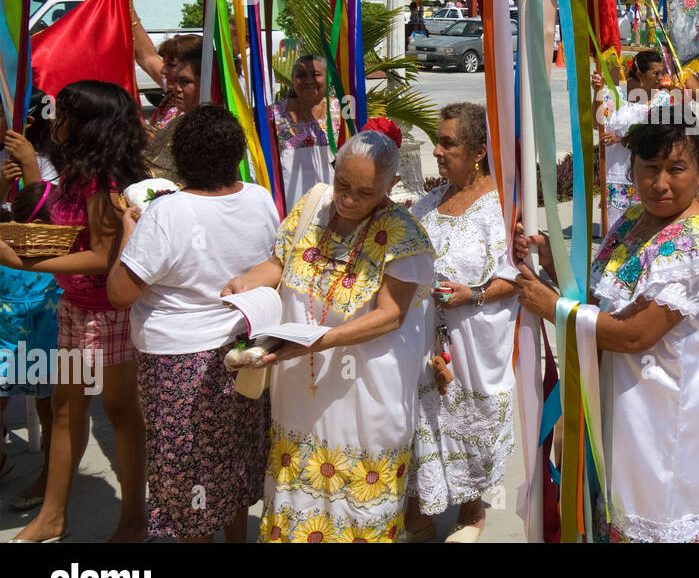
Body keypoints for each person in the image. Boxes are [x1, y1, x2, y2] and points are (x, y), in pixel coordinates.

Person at [514, 112, 699, 542]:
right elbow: (604, 302)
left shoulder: (694, 245)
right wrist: (551, 265)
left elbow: (635, 333)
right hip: (620, 416)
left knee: (650, 521)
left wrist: (554, 308)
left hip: (663, 428)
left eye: (675, 169)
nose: (660, 183)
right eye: (648, 168)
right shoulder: (635, 222)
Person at [224, 130, 436, 543]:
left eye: (364, 192)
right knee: (298, 500)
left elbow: (391, 316)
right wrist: (245, 283)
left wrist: (322, 339)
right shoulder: (312, 206)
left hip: (366, 394)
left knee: (357, 507)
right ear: (334, 169)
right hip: (301, 392)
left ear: (390, 186)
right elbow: (278, 263)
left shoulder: (404, 235)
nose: (348, 199)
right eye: (343, 184)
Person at [105, 105, 279, 542]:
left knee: (190, 473)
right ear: (236, 154)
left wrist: (128, 231)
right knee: (234, 461)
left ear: (180, 158)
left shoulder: (168, 212)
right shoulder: (259, 198)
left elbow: (120, 293)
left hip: (179, 361)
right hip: (244, 349)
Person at [0, 80, 149, 543]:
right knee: (66, 412)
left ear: (86, 124)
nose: (53, 120)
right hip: (75, 309)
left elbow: (105, 258)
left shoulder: (103, 182)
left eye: (62, 113)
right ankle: (52, 516)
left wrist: (27, 261)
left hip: (108, 313)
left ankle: (134, 518)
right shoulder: (78, 173)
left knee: (121, 412)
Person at [406, 103, 517, 543]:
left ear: (478, 151)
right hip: (427, 339)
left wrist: (474, 294)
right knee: (424, 421)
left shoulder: (501, 208)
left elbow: (518, 277)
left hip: (476, 338)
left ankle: (471, 511)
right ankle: (420, 511)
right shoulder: (431, 203)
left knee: (471, 421)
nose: (436, 151)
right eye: (438, 141)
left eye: (448, 143)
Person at [0, 182, 63, 513]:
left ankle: (51, 478)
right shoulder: (5, 248)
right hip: (6, 342)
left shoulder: (64, 256)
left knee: (51, 410)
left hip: (50, 345)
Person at [596, 51, 668, 229]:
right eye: (656, 73)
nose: (661, 78)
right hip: (616, 170)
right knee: (615, 230)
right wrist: (595, 93)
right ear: (640, 74)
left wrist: (621, 139)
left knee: (643, 229)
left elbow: (660, 135)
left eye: (663, 73)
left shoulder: (663, 100)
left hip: (646, 171)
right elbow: (596, 124)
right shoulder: (611, 95)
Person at [271, 54, 344, 208]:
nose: (309, 80)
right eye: (301, 75)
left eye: (316, 74)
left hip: (333, 203)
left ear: (328, 78)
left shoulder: (343, 110)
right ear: (292, 79)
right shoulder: (275, 112)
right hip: (289, 202)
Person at [144, 44, 203, 183]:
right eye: (177, 81)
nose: (177, 88)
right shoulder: (178, 120)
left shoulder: (213, 129)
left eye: (185, 82)